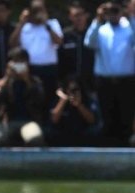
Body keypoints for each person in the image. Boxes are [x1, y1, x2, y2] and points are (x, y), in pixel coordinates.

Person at [85, 1, 135, 147]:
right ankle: (108, 148)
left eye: (116, 11)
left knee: (126, 116)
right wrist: (98, 19)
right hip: (104, 81)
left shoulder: (129, 27)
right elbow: (89, 43)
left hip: (126, 81)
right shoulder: (100, 29)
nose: (113, 15)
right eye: (110, 12)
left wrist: (130, 16)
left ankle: (125, 149)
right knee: (107, 117)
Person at [10, 0, 62, 109]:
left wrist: (46, 24)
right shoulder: (25, 27)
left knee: (49, 99)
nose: (38, 13)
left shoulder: (52, 24)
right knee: (31, 99)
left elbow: (59, 41)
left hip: (49, 69)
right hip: (30, 70)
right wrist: (21, 22)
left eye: (40, 10)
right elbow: (13, 43)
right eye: (35, 10)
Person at [0, 48, 45, 147]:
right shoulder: (4, 83)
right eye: (16, 61)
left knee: (35, 138)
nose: (19, 65)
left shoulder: (35, 81)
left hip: (28, 121)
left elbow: (40, 100)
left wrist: (27, 80)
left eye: (22, 61)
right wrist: (7, 77)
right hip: (8, 122)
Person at [48, 77, 98, 147]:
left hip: (83, 137)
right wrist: (63, 101)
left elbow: (92, 120)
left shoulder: (87, 100)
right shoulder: (59, 100)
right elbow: (54, 120)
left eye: (76, 89)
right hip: (62, 137)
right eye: (70, 90)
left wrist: (79, 105)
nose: (73, 92)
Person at [58, 2, 94, 93]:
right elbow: (60, 59)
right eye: (75, 15)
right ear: (70, 17)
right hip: (69, 82)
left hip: (91, 82)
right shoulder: (65, 35)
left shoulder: (92, 34)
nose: (79, 18)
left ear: (86, 15)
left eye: (81, 14)